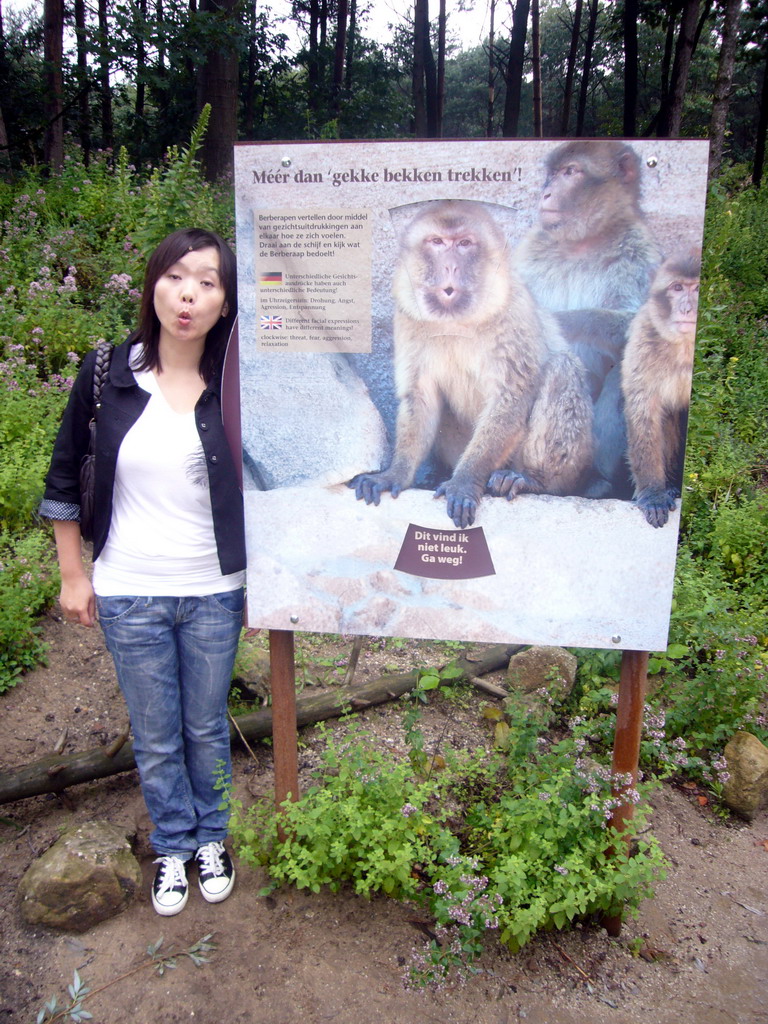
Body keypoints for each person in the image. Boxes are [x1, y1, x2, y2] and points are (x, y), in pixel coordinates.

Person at [40, 228, 246, 916]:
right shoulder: (109, 373)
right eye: (176, 276)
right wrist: (75, 575)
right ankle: (173, 845)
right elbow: (65, 475)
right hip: (130, 590)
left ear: (225, 301)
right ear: (152, 283)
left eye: (208, 282)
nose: (189, 294)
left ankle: (211, 836)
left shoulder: (235, 388)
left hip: (214, 591)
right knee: (156, 732)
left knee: (207, 726)